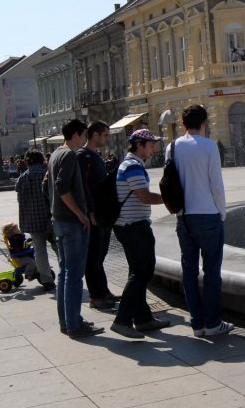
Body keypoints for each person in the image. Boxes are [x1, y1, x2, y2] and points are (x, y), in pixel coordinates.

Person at [168, 104, 231, 338]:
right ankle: (213, 323)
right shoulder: (209, 146)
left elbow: (169, 182)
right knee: (212, 271)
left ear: (183, 124)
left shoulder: (172, 147)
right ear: (204, 123)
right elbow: (216, 185)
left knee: (189, 271)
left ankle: (197, 324)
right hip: (208, 215)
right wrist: (221, 212)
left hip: (183, 217)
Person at [110, 129, 170, 339]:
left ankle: (143, 319)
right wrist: (170, 199)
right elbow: (144, 197)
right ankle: (122, 320)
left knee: (137, 271)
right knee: (142, 272)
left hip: (129, 225)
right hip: (133, 226)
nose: (154, 149)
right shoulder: (133, 166)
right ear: (139, 145)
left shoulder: (131, 164)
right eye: (151, 145)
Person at [46, 119, 103, 338]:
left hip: (58, 221)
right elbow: (62, 187)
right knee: (74, 274)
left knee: (65, 273)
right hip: (70, 222)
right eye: (84, 135)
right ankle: (75, 324)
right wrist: (80, 213)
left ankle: (66, 321)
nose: (84, 139)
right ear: (77, 135)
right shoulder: (69, 155)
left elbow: (48, 186)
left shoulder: (55, 154)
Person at [77, 120, 120, 310]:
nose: (107, 138)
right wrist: (90, 212)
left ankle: (103, 291)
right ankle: (95, 296)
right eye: (106, 135)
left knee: (101, 254)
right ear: (95, 135)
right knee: (93, 256)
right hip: (94, 214)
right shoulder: (83, 156)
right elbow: (82, 187)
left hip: (103, 213)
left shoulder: (96, 156)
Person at [14, 150, 55, 290]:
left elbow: (20, 200)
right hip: (50, 219)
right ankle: (67, 275)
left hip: (32, 222)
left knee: (39, 251)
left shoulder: (22, 178)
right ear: (42, 160)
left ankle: (46, 279)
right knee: (59, 248)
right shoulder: (46, 174)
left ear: (26, 162)